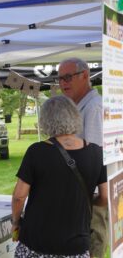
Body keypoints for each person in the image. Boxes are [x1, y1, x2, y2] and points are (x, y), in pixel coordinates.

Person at [12, 96, 107, 257]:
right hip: (76, 245)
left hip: (36, 243)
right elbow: (104, 197)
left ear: (45, 120)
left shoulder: (37, 151)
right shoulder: (97, 153)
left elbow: (19, 196)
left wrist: (15, 222)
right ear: (75, 117)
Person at [58, 58, 108, 258]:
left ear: (85, 75)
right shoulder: (80, 106)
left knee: (93, 244)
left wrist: (88, 196)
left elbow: (94, 156)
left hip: (91, 196)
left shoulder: (94, 107)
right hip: (82, 193)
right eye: (60, 78)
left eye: (68, 77)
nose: (63, 83)